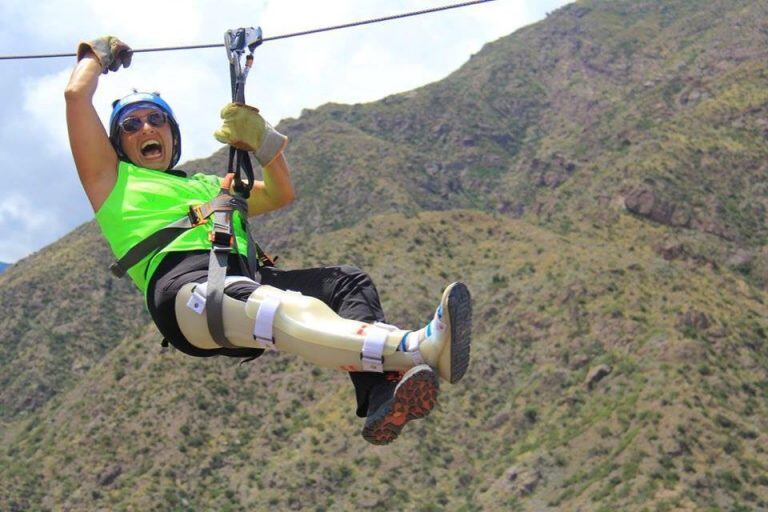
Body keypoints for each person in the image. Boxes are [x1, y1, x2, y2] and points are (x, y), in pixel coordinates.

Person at [64, 36, 471, 445]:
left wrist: (264, 143)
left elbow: (280, 194)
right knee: (290, 309)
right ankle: (418, 347)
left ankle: (380, 393)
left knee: (348, 283)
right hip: (184, 289)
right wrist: (98, 57)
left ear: (172, 133)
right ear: (117, 144)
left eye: (156, 120)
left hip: (239, 280)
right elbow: (75, 95)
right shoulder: (113, 182)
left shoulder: (211, 185)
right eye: (131, 126)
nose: (146, 128)